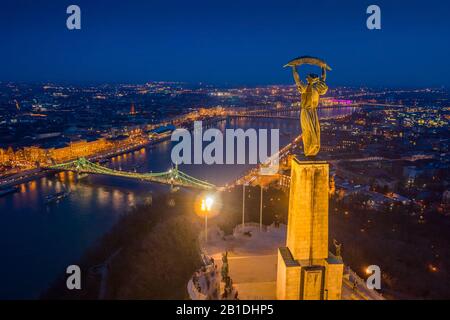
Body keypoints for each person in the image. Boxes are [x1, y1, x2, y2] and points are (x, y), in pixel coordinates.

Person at [292, 66, 328, 157]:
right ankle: (308, 150)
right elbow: (297, 80)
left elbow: (323, 79)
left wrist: (323, 69)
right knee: (308, 131)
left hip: (312, 112)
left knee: (315, 131)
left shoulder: (316, 88)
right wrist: (294, 68)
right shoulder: (305, 88)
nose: (306, 79)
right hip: (306, 112)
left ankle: (313, 149)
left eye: (308, 78)